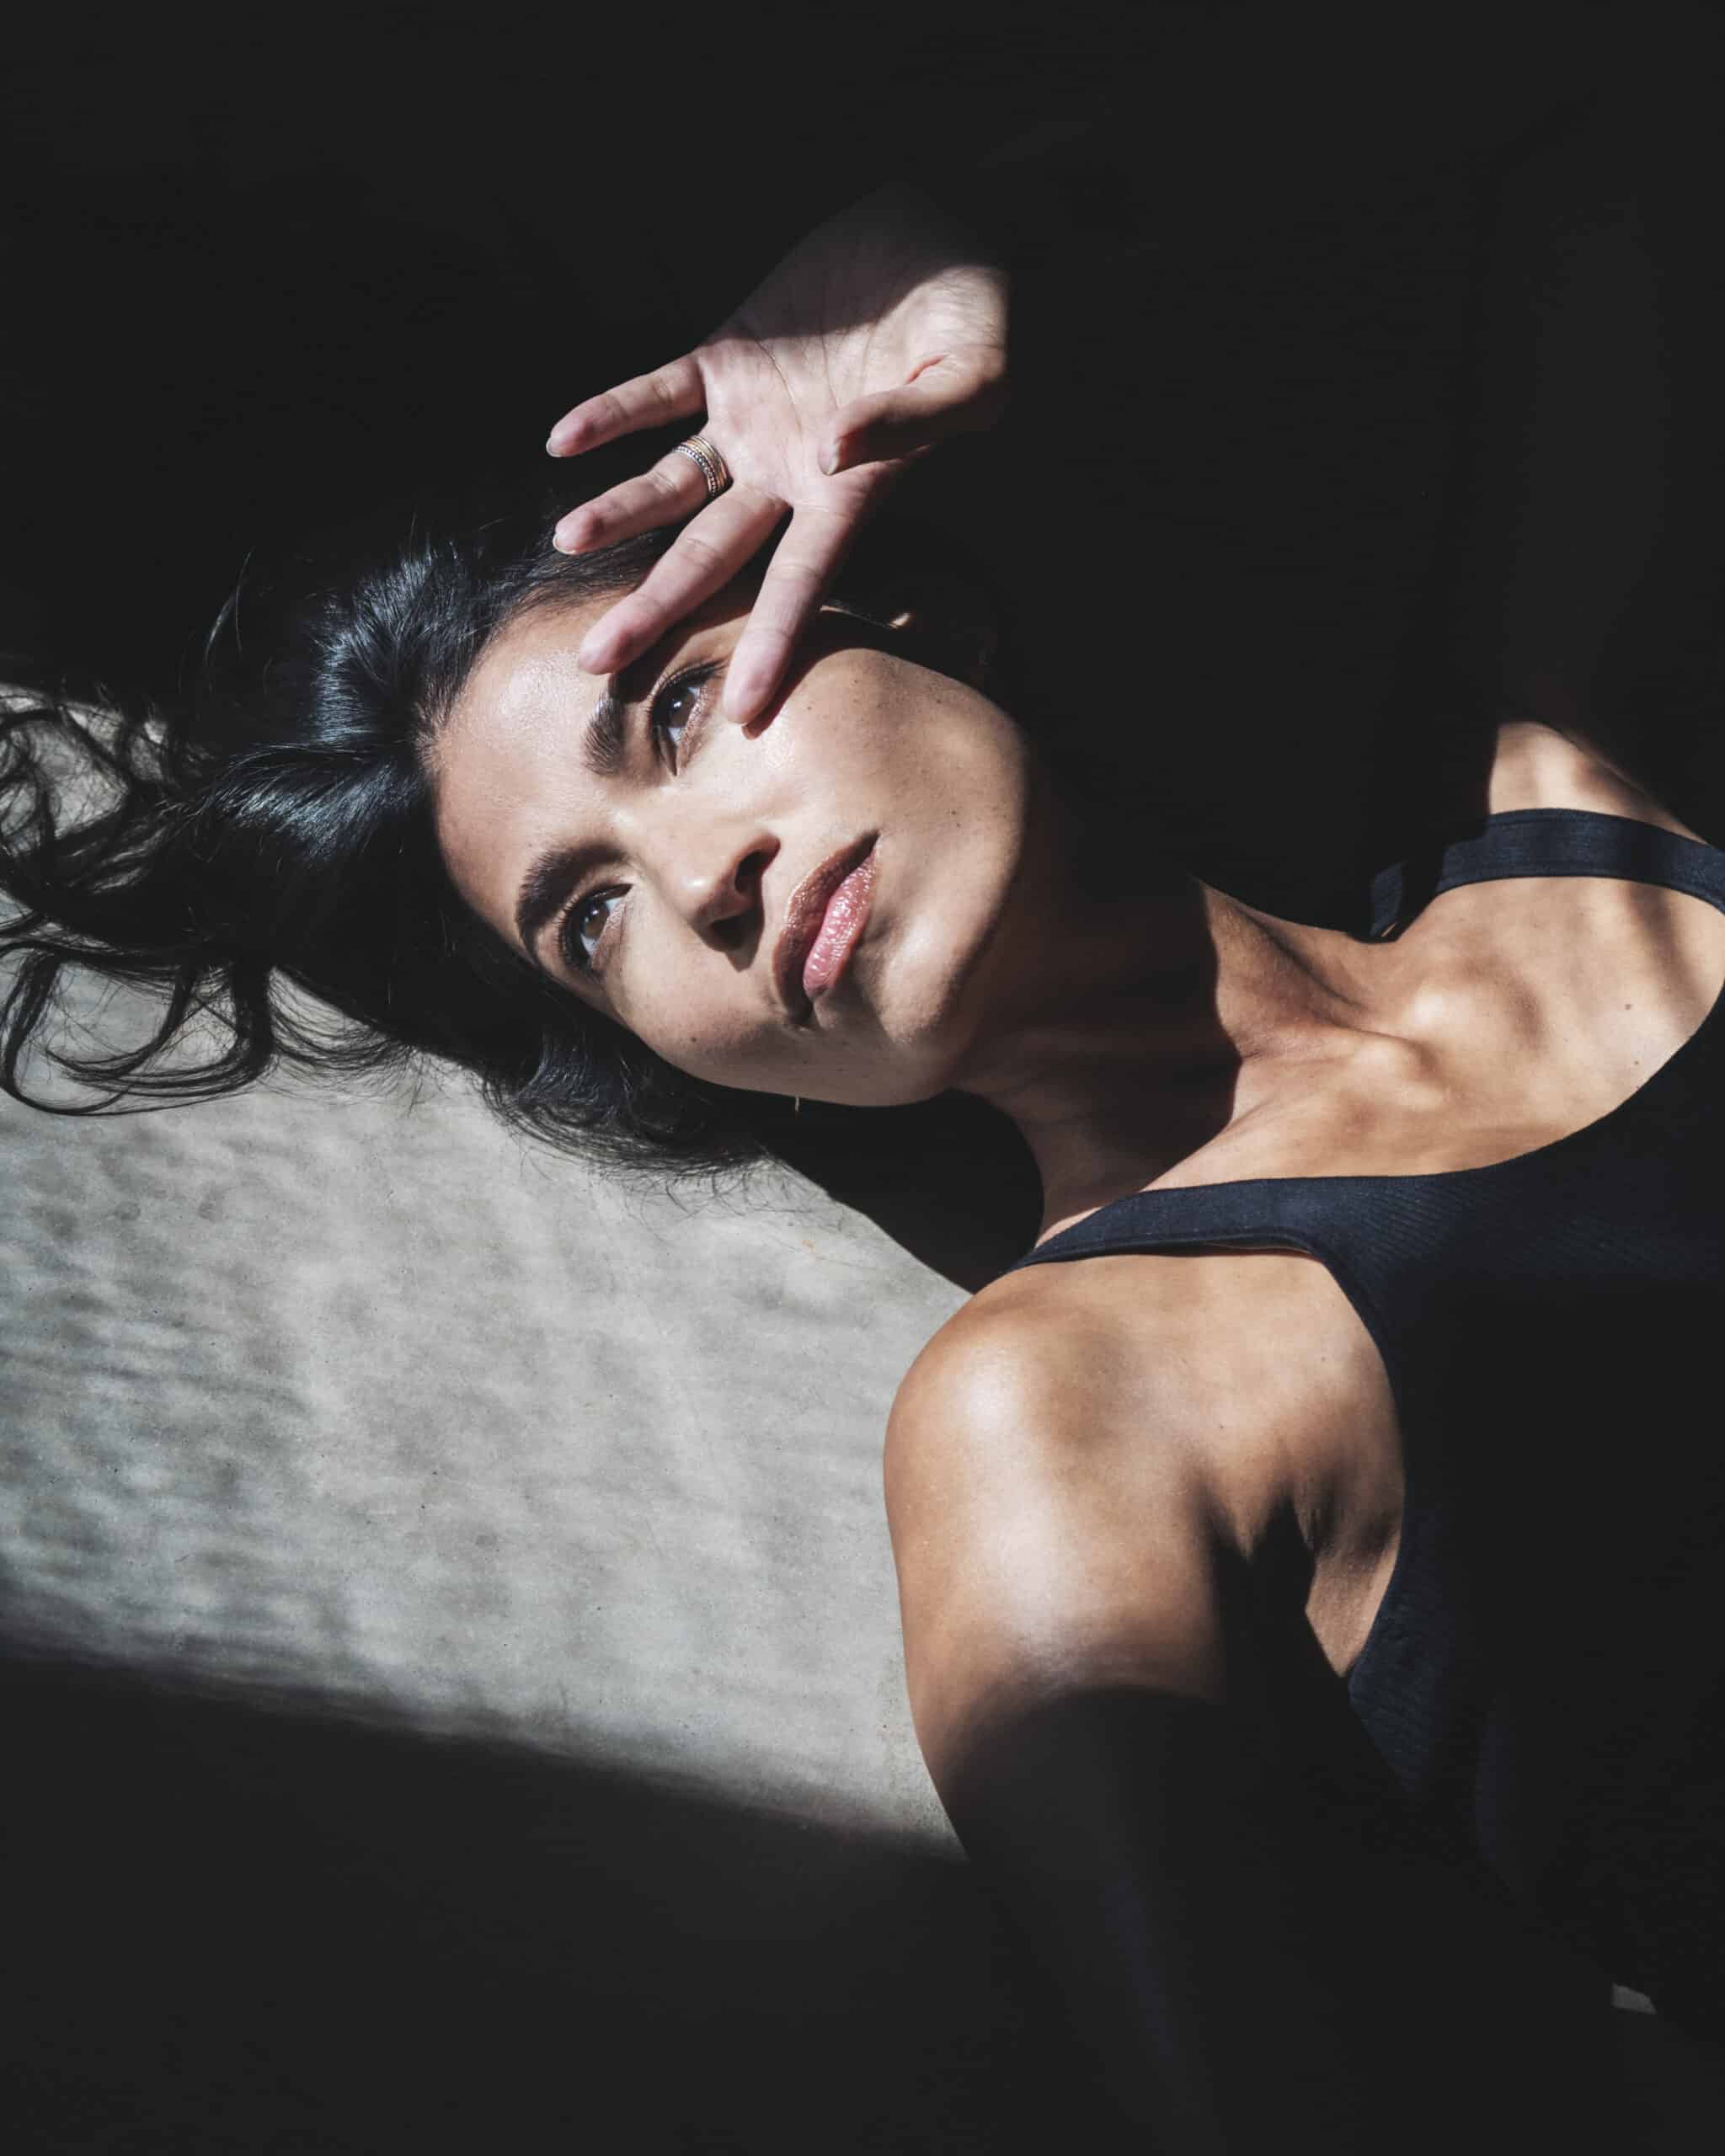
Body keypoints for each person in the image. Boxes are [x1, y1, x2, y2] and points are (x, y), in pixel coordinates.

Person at [5, 29, 1724, 2151]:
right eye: (590, 921)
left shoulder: (1587, 792)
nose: (699, 881)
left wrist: (999, 225)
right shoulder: (1071, 1416)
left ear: (896, 603)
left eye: (675, 710)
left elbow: (1611, 107)